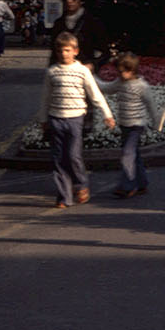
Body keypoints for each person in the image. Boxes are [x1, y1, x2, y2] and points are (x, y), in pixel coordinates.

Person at [38, 31, 115, 208]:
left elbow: (95, 94)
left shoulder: (82, 71)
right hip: (56, 118)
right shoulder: (52, 72)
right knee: (58, 158)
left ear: (75, 51)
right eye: (60, 51)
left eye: (67, 50)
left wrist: (107, 114)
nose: (64, 54)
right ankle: (64, 196)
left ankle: (81, 184)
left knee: (73, 155)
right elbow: (45, 97)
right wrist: (43, 119)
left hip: (75, 119)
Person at [103, 52, 163, 199]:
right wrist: (90, 77)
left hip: (136, 125)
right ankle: (142, 183)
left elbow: (151, 106)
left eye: (125, 71)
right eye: (120, 71)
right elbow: (106, 88)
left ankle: (128, 185)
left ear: (133, 70)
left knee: (127, 155)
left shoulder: (142, 86)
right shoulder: (119, 83)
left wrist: (156, 123)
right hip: (124, 125)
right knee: (134, 155)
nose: (122, 75)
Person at [49, 0, 111, 73]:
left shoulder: (92, 22)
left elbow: (104, 52)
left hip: (85, 72)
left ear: (81, 0)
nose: (69, 1)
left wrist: (93, 65)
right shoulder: (58, 24)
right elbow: (54, 52)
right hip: (64, 73)